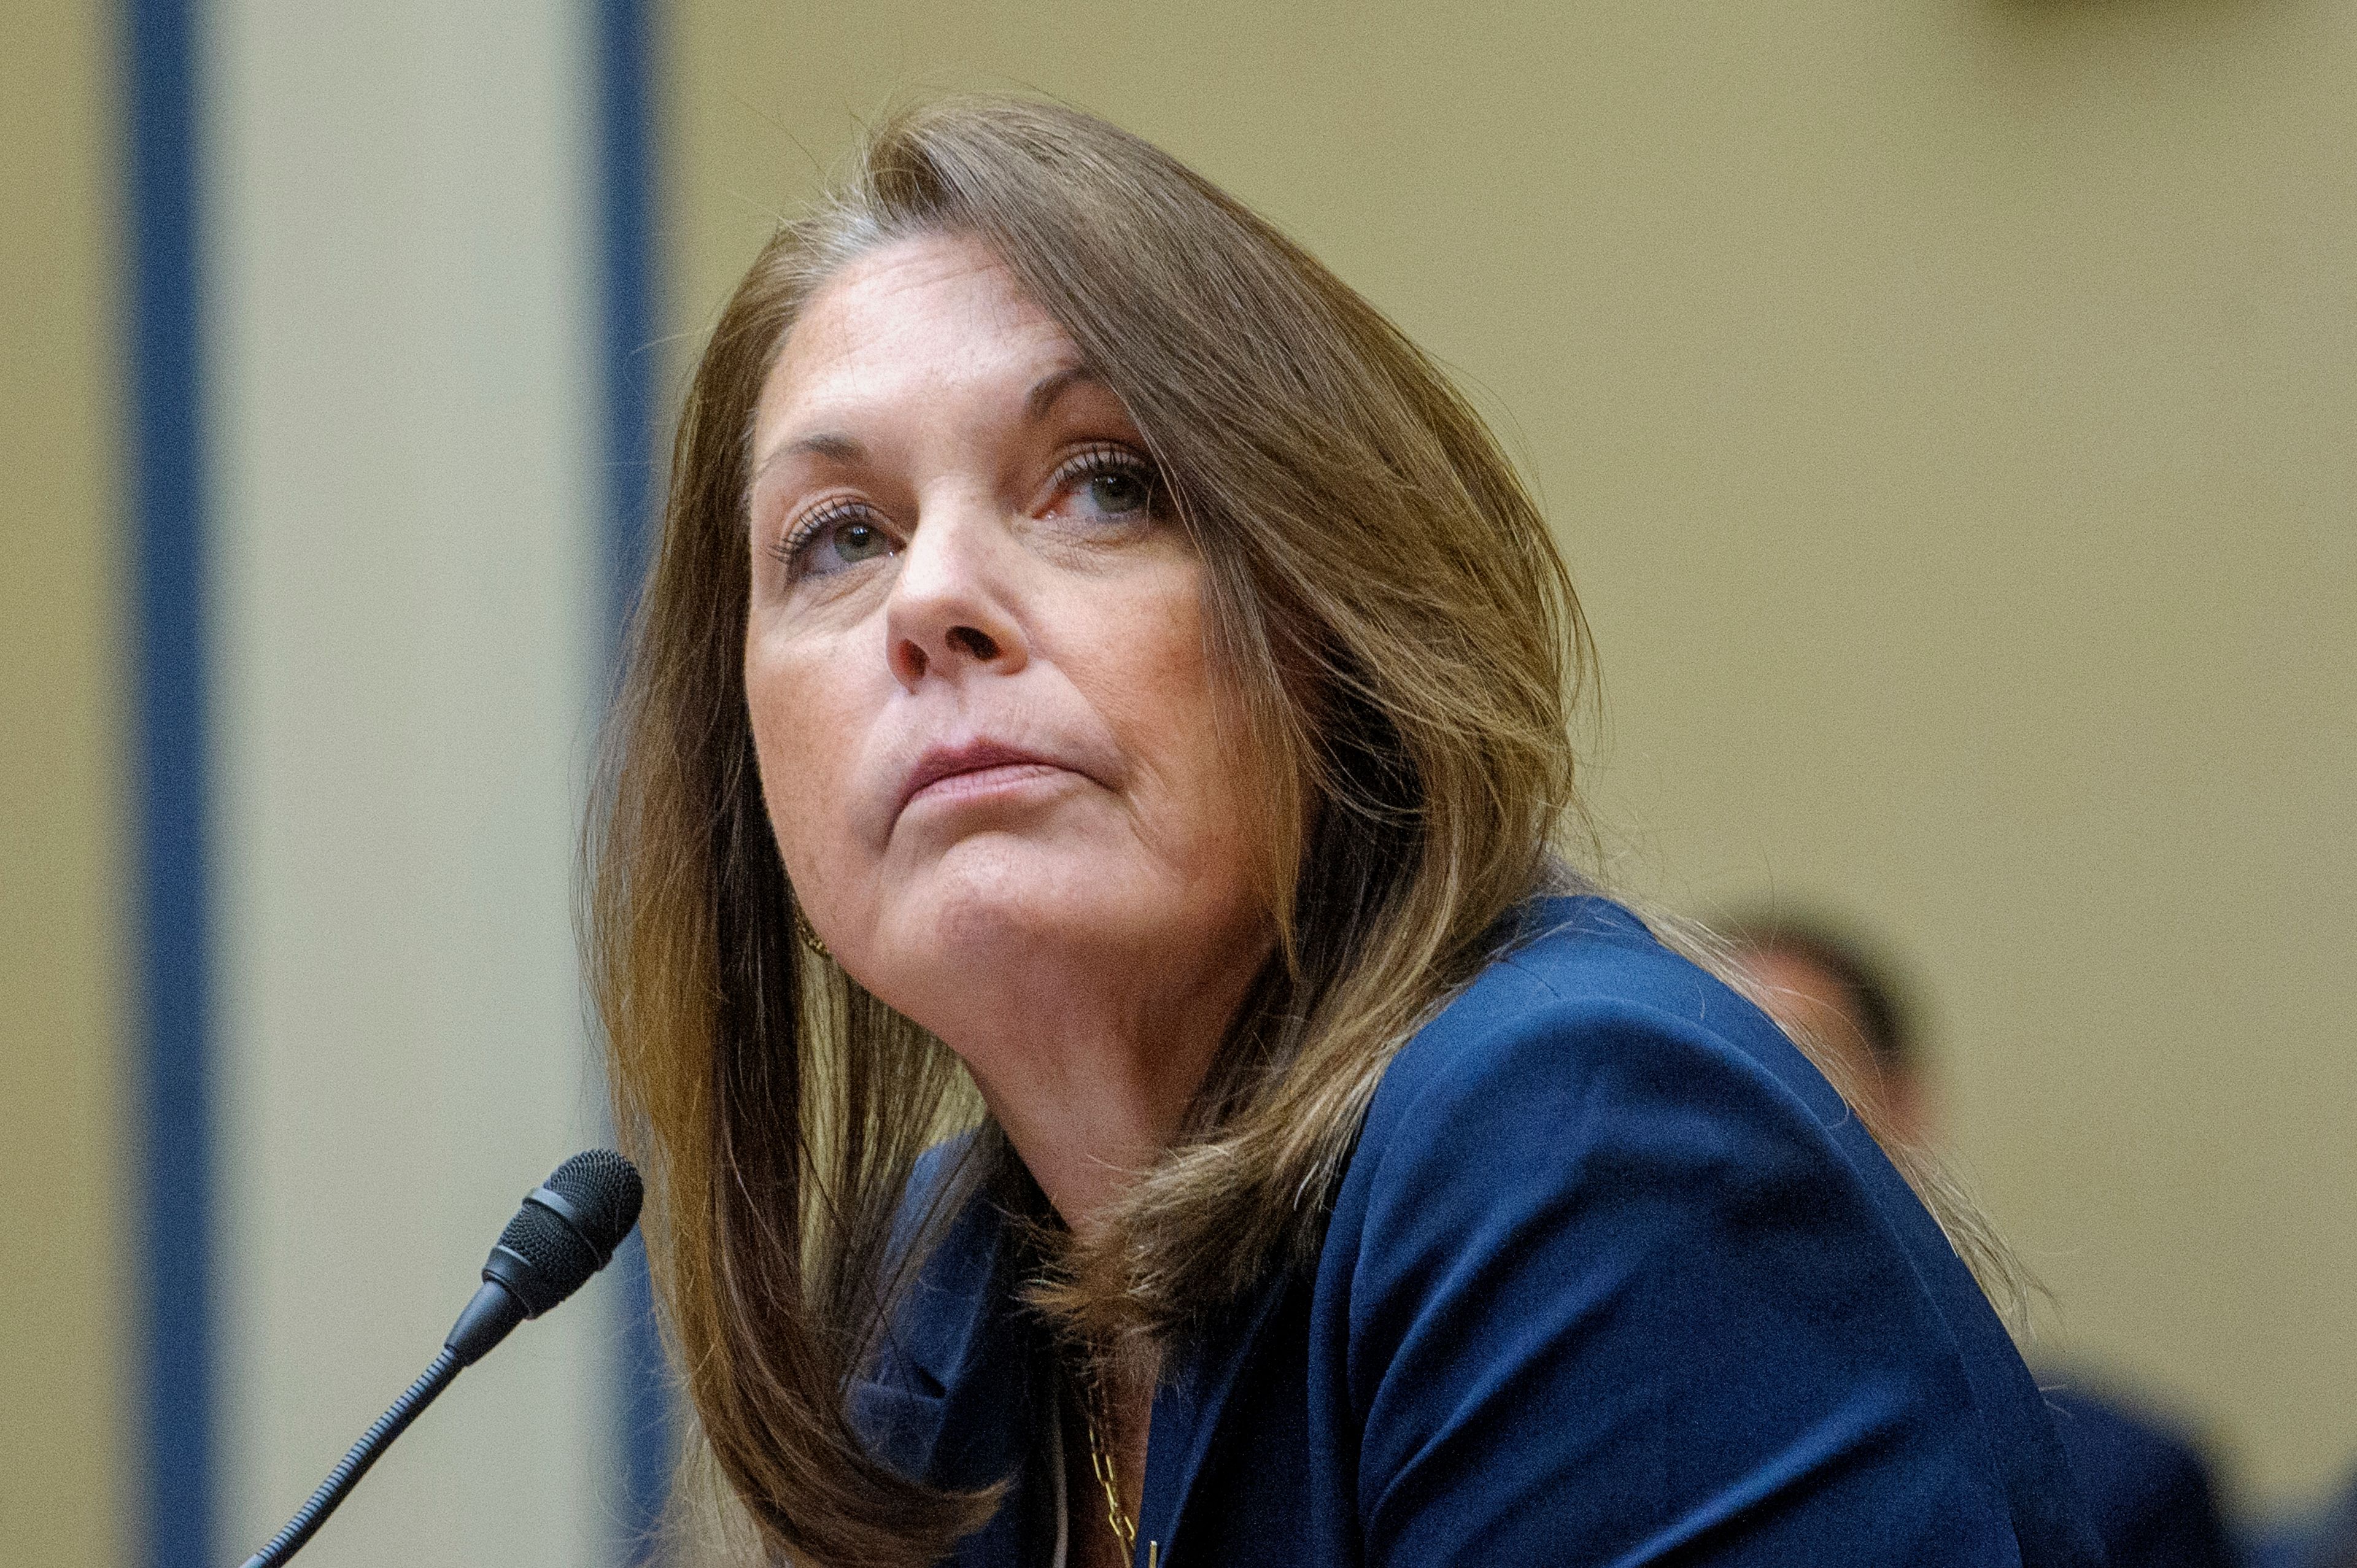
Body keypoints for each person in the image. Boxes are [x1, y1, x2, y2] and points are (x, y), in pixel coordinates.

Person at [589, 96, 2102, 1568]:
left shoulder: (1569, 1145)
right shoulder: (946, 1300)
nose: (932, 601)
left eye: (1102, 487)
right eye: (840, 538)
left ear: (1337, 628)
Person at [1724, 913, 2240, 1568]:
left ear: (1901, 1107)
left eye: (1801, 1066)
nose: (1749, 1119)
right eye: (1707, 1084)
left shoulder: (2122, 1486)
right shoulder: (1610, 1464)